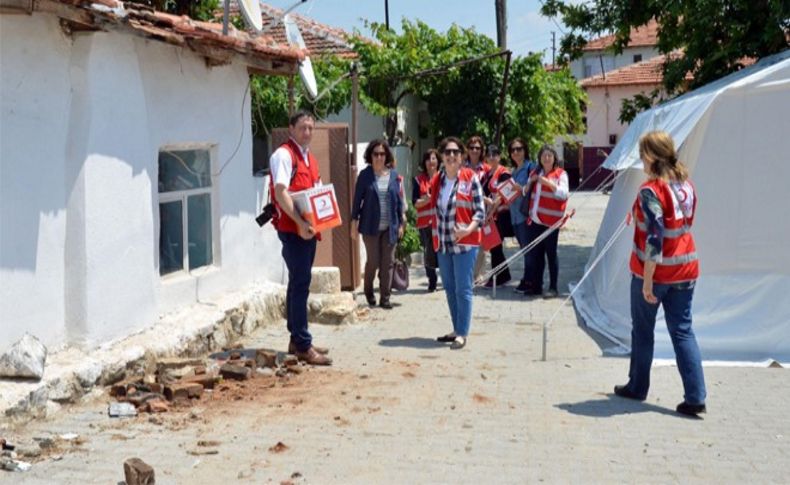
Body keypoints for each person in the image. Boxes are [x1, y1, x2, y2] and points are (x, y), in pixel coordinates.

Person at [614, 130, 706, 417]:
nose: (641, 159)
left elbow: (655, 237)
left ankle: (637, 387)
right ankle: (696, 396)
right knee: (683, 331)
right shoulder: (686, 185)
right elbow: (686, 223)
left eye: (643, 153)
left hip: (656, 273)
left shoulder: (651, 191)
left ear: (653, 156)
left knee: (643, 331)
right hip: (686, 268)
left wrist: (648, 280)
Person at [269, 111, 331, 365]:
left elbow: (314, 192)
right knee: (301, 282)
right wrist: (300, 223)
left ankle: (296, 339)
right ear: (291, 128)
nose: (307, 132)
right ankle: (303, 344)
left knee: (298, 282)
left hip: (307, 228)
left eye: (310, 128)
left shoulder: (310, 158)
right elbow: (281, 193)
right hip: (292, 229)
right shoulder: (284, 155)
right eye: (302, 127)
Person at [428, 137, 485, 350]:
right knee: (450, 288)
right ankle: (456, 328)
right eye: (447, 152)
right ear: (442, 157)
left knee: (463, 289)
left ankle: (462, 333)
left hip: (465, 244)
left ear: (461, 157)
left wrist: (468, 229)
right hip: (443, 244)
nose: (451, 156)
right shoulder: (438, 181)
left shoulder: (471, 178)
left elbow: (480, 211)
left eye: (455, 152)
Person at [351, 139, 405, 309]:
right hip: (370, 227)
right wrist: (354, 222)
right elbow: (357, 201)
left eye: (382, 154)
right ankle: (368, 291)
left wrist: (402, 223)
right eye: (376, 154)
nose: (379, 157)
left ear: (386, 156)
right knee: (373, 262)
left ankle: (385, 298)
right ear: (370, 156)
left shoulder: (394, 176)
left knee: (388, 262)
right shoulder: (365, 176)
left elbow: (398, 201)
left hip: (391, 227)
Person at [524, 145, 569, 298]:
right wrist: (527, 185)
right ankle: (536, 286)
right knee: (536, 255)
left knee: (551, 255)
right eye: (544, 155)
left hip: (551, 223)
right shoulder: (535, 173)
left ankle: (553, 287)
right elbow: (527, 192)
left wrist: (548, 183)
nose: (546, 158)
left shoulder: (561, 174)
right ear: (540, 158)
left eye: (549, 155)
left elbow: (563, 194)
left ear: (554, 158)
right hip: (535, 221)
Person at [506, 138, 538, 294]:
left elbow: (535, 187)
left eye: (519, 149)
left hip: (526, 215)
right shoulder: (513, 171)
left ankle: (530, 280)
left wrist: (522, 188)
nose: (516, 152)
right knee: (525, 249)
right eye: (513, 150)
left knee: (529, 249)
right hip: (515, 216)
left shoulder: (531, 167)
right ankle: (528, 278)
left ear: (525, 150)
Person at [481, 144, 513, 288]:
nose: (492, 157)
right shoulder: (488, 173)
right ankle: (501, 275)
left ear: (499, 156)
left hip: (501, 215)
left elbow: (504, 194)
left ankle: (498, 277)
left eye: (494, 154)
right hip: (491, 215)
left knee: (496, 246)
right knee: (494, 247)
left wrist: (492, 206)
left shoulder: (503, 173)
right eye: (489, 155)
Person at [412, 148, 441, 292]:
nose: (431, 161)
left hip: (441, 222)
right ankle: (432, 279)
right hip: (425, 223)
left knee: (442, 250)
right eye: (429, 158)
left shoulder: (443, 178)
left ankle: (446, 278)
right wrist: (427, 200)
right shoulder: (418, 180)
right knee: (428, 252)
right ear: (424, 162)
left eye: (434, 158)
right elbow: (415, 203)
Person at [465, 135, 491, 283]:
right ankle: (468, 272)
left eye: (478, 148)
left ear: (481, 151)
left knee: (482, 243)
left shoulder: (487, 169)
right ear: (467, 150)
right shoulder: (462, 169)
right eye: (472, 148)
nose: (474, 150)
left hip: (483, 211)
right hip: (466, 210)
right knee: (467, 242)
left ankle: (478, 274)